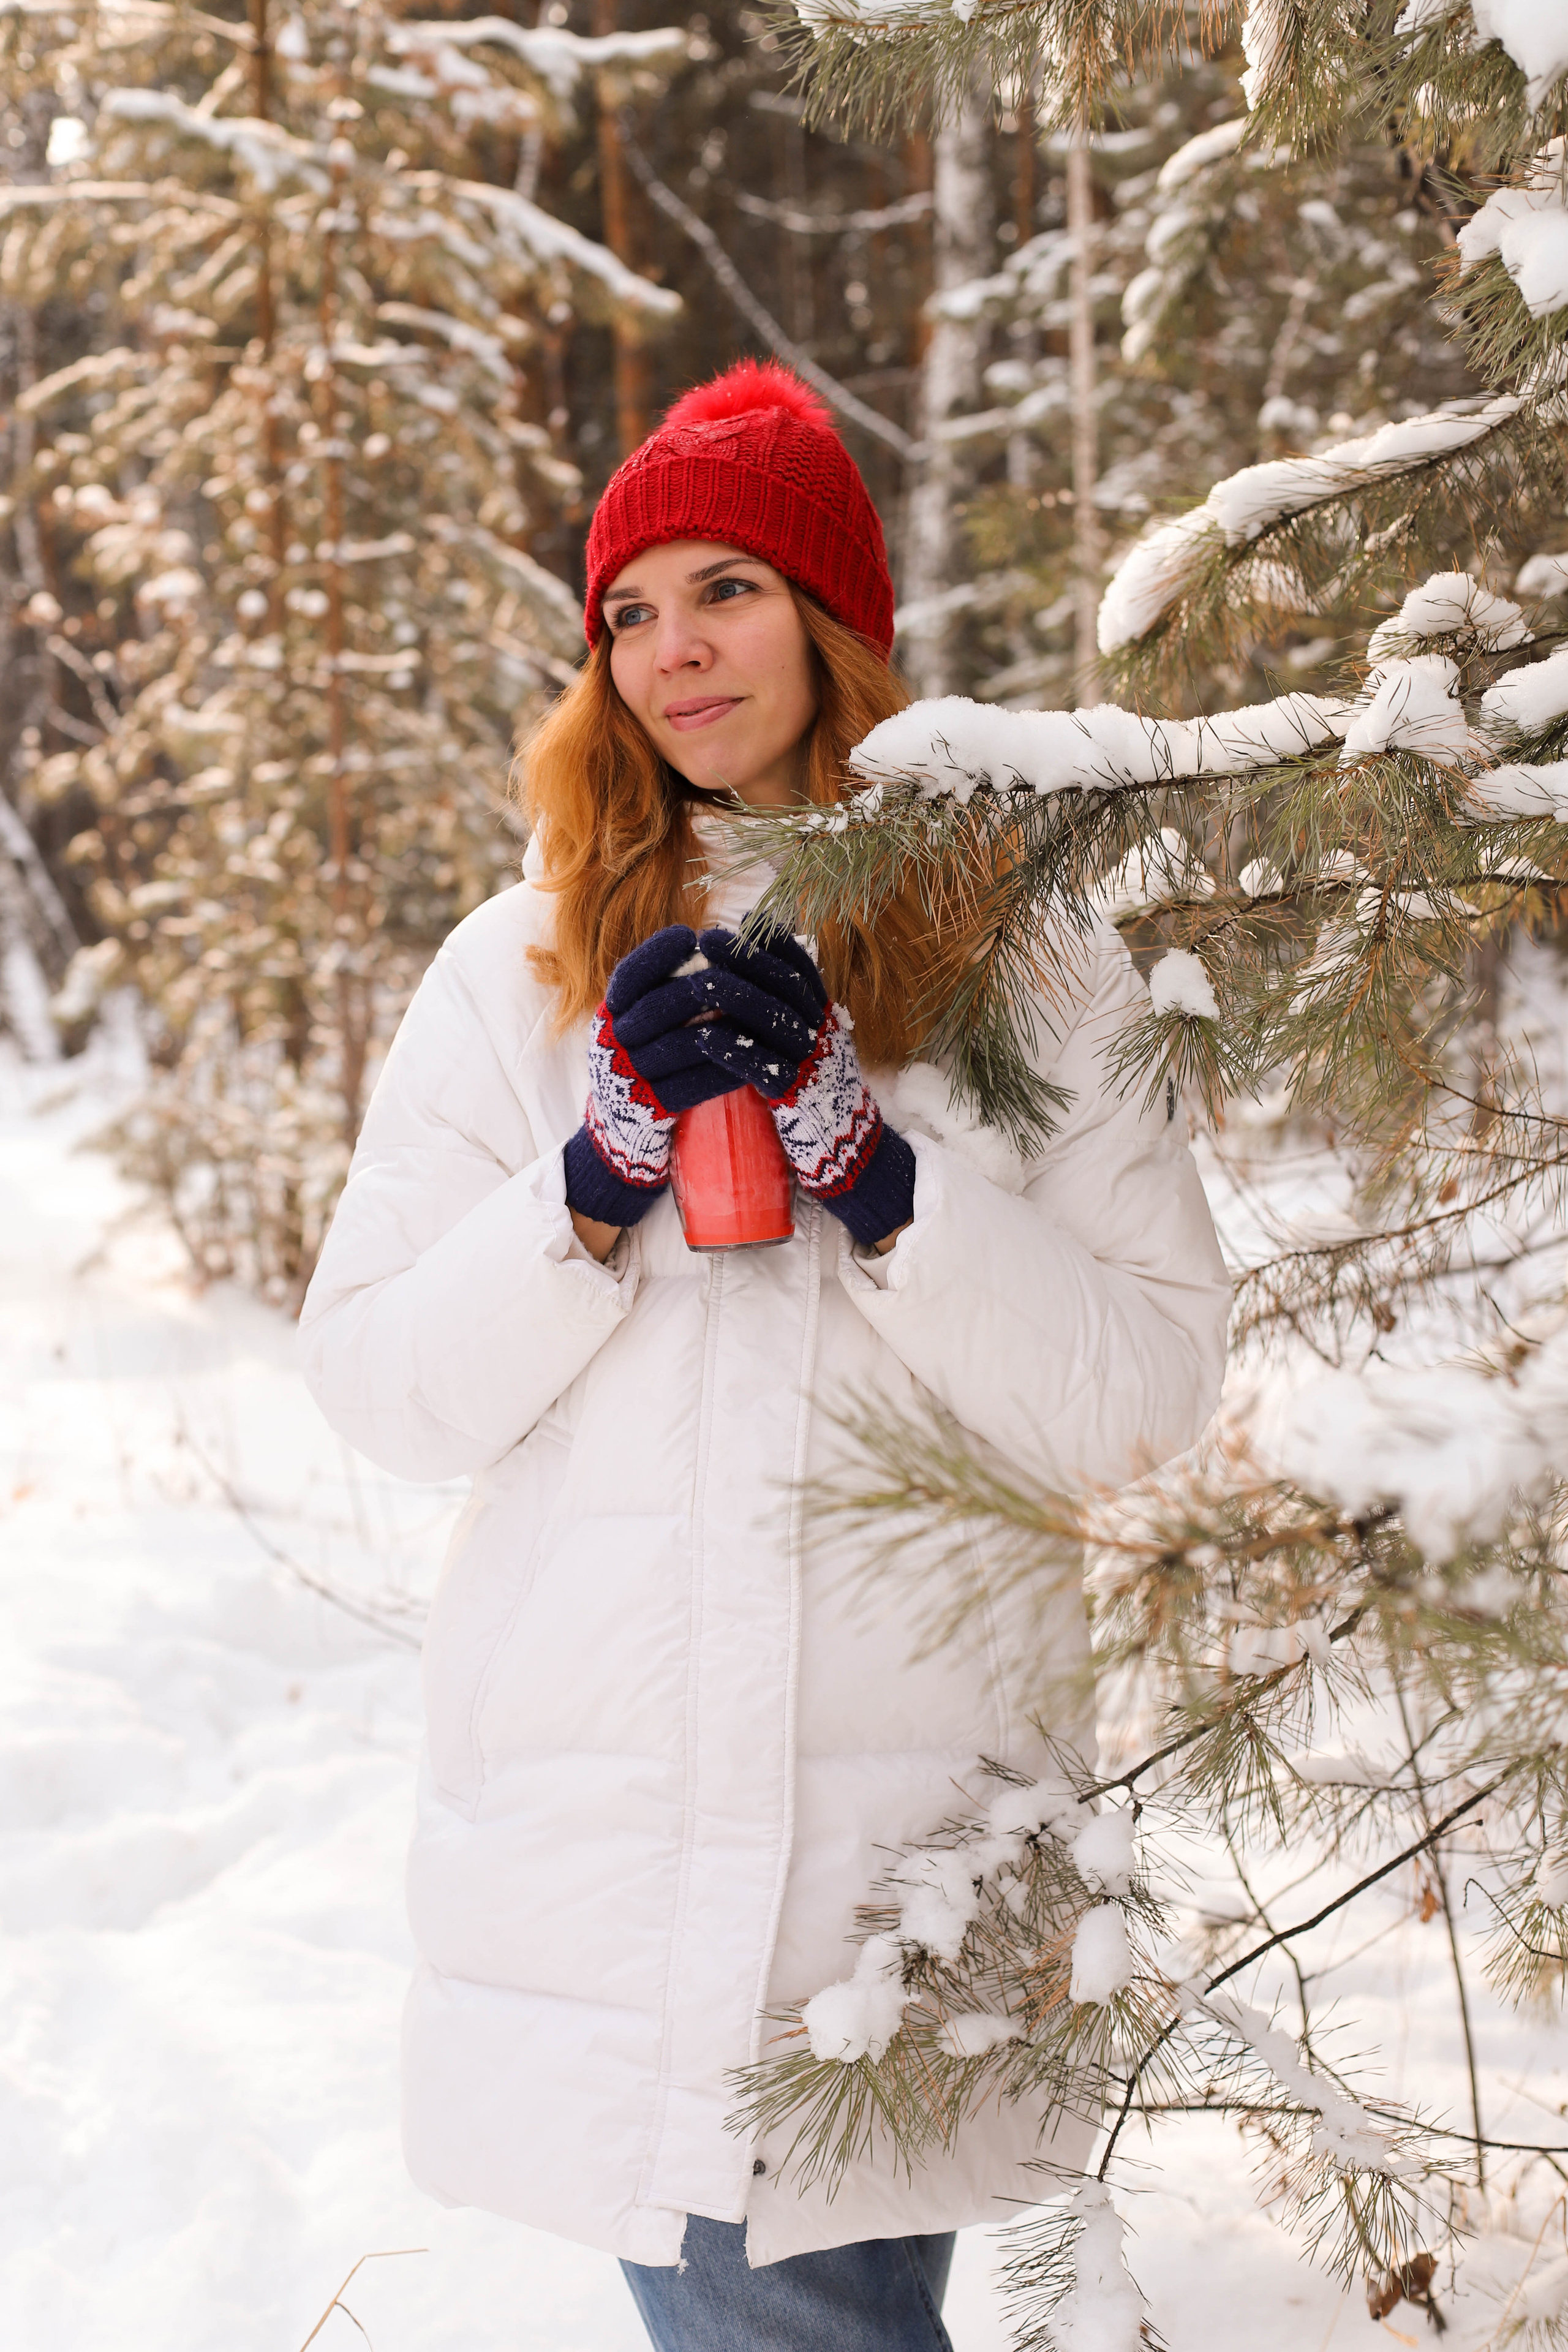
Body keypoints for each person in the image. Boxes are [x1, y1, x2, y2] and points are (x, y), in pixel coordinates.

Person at [299, 360, 1231, 2351]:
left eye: (726, 590)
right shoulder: (517, 972)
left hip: (913, 1867)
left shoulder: (1022, 962)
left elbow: (1148, 1394)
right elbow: (380, 1388)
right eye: (632, 612)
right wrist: (590, 1175)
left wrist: (877, 1175)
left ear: (832, 626)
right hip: (621, 1868)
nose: (674, 650)